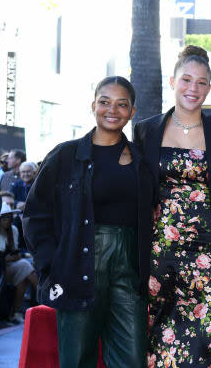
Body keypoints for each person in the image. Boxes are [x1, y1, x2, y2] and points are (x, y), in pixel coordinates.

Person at [24, 76, 156, 368]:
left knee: (133, 360)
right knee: (77, 360)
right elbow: (35, 213)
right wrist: (50, 265)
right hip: (77, 265)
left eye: (122, 104)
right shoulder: (65, 155)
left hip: (128, 270)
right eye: (105, 102)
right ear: (93, 105)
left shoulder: (141, 161)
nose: (113, 110)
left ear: (132, 112)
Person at [133, 45, 211, 368]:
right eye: (186, 80)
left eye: (202, 82)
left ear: (210, 87)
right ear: (172, 81)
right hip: (161, 250)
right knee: (160, 341)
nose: (193, 89)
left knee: (208, 339)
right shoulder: (146, 130)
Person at [0, 197, 38, 323]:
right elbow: (0, 256)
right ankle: (45, 298)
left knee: (23, 279)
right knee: (25, 266)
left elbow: (15, 253)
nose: (7, 219)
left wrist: (12, 256)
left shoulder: (13, 230)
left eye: (9, 216)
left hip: (12, 265)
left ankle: (14, 313)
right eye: (4, 217)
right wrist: (11, 256)